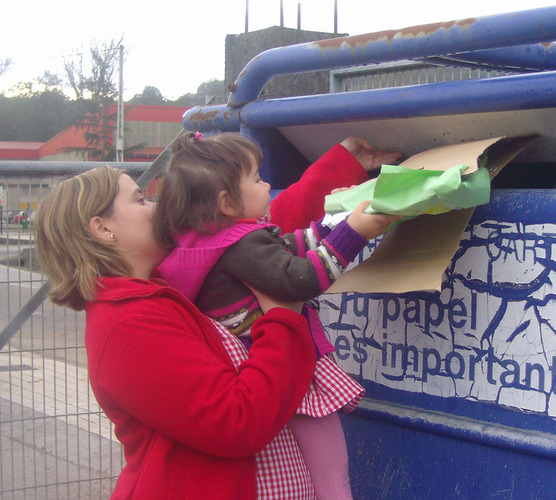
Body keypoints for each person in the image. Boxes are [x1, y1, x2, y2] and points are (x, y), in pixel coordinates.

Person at [33, 135, 400, 499]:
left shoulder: (164, 284)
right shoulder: (129, 326)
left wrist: (342, 164)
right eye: (140, 199)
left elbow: (255, 237)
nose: (156, 206)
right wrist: (283, 320)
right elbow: (236, 423)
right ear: (102, 229)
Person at [154, 131, 401, 500]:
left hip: (264, 381)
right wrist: (355, 234)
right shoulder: (241, 245)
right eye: (255, 178)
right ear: (226, 202)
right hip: (293, 378)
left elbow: (288, 246)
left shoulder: (211, 245)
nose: (267, 183)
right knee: (333, 482)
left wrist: (341, 221)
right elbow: (298, 280)